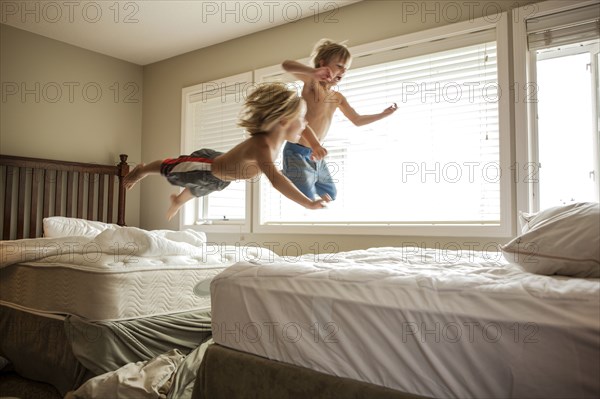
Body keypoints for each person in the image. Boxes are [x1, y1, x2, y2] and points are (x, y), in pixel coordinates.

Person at [123, 83, 331, 220]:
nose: (306, 124)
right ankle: (142, 170)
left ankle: (178, 200)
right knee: (169, 168)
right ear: (284, 120)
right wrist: (308, 203)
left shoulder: (278, 140)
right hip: (206, 164)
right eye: (302, 118)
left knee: (201, 188)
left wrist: (315, 146)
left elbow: (304, 130)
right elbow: (277, 180)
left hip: (222, 177)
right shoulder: (263, 146)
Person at [281, 39, 398, 201]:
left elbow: (357, 120)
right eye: (340, 66)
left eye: (346, 68)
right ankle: (287, 175)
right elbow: (287, 65)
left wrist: (383, 114)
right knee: (306, 196)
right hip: (297, 150)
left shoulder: (338, 98)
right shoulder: (312, 84)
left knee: (330, 193)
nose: (343, 71)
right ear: (322, 64)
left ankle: (295, 176)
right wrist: (312, 72)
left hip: (315, 153)